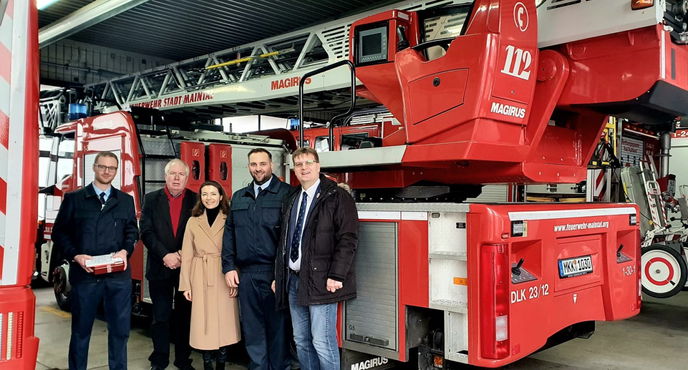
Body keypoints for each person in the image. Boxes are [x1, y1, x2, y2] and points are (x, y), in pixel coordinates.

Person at [274, 147, 359, 370]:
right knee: (301, 341)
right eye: (299, 164)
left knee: (322, 341)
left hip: (323, 281)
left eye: (308, 163)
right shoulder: (292, 198)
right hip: (294, 280)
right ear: (294, 169)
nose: (304, 168)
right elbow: (284, 239)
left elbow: (348, 238)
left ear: (318, 166)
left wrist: (336, 274)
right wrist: (280, 276)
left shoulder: (337, 196)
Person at [52, 151, 138, 370]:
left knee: (120, 332)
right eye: (102, 167)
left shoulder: (126, 201)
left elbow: (131, 231)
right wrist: (75, 255)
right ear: (94, 167)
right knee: (81, 331)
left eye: (111, 168)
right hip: (85, 277)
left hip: (117, 278)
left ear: (116, 171)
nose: (107, 171)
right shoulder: (75, 199)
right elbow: (59, 233)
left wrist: (125, 251)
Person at [222, 148, 293, 370]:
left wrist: (279, 275)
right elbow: (229, 233)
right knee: (252, 330)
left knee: (278, 330)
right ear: (249, 166)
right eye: (254, 164)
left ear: (271, 165)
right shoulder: (240, 196)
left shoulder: (286, 194)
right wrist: (228, 267)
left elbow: (290, 238)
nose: (258, 168)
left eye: (263, 164)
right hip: (247, 274)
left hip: (273, 273)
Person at [140, 159, 197, 370]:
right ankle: (159, 360)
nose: (176, 178)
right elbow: (146, 232)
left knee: (184, 318)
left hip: (187, 270)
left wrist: (181, 255)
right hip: (159, 267)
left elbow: (199, 233)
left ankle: (183, 360)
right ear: (165, 176)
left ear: (186, 178)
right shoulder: (151, 199)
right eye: (172, 174)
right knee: (160, 317)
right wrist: (165, 255)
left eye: (181, 174)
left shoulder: (196, 200)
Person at [180, 181, 242, 370]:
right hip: (200, 273)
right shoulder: (193, 220)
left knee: (224, 324)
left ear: (221, 196)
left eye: (213, 194)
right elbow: (187, 253)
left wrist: (235, 280)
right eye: (204, 194)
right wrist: (186, 285)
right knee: (203, 323)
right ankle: (207, 364)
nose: (209, 198)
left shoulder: (230, 218)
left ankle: (221, 366)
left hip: (224, 273)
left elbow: (237, 250)